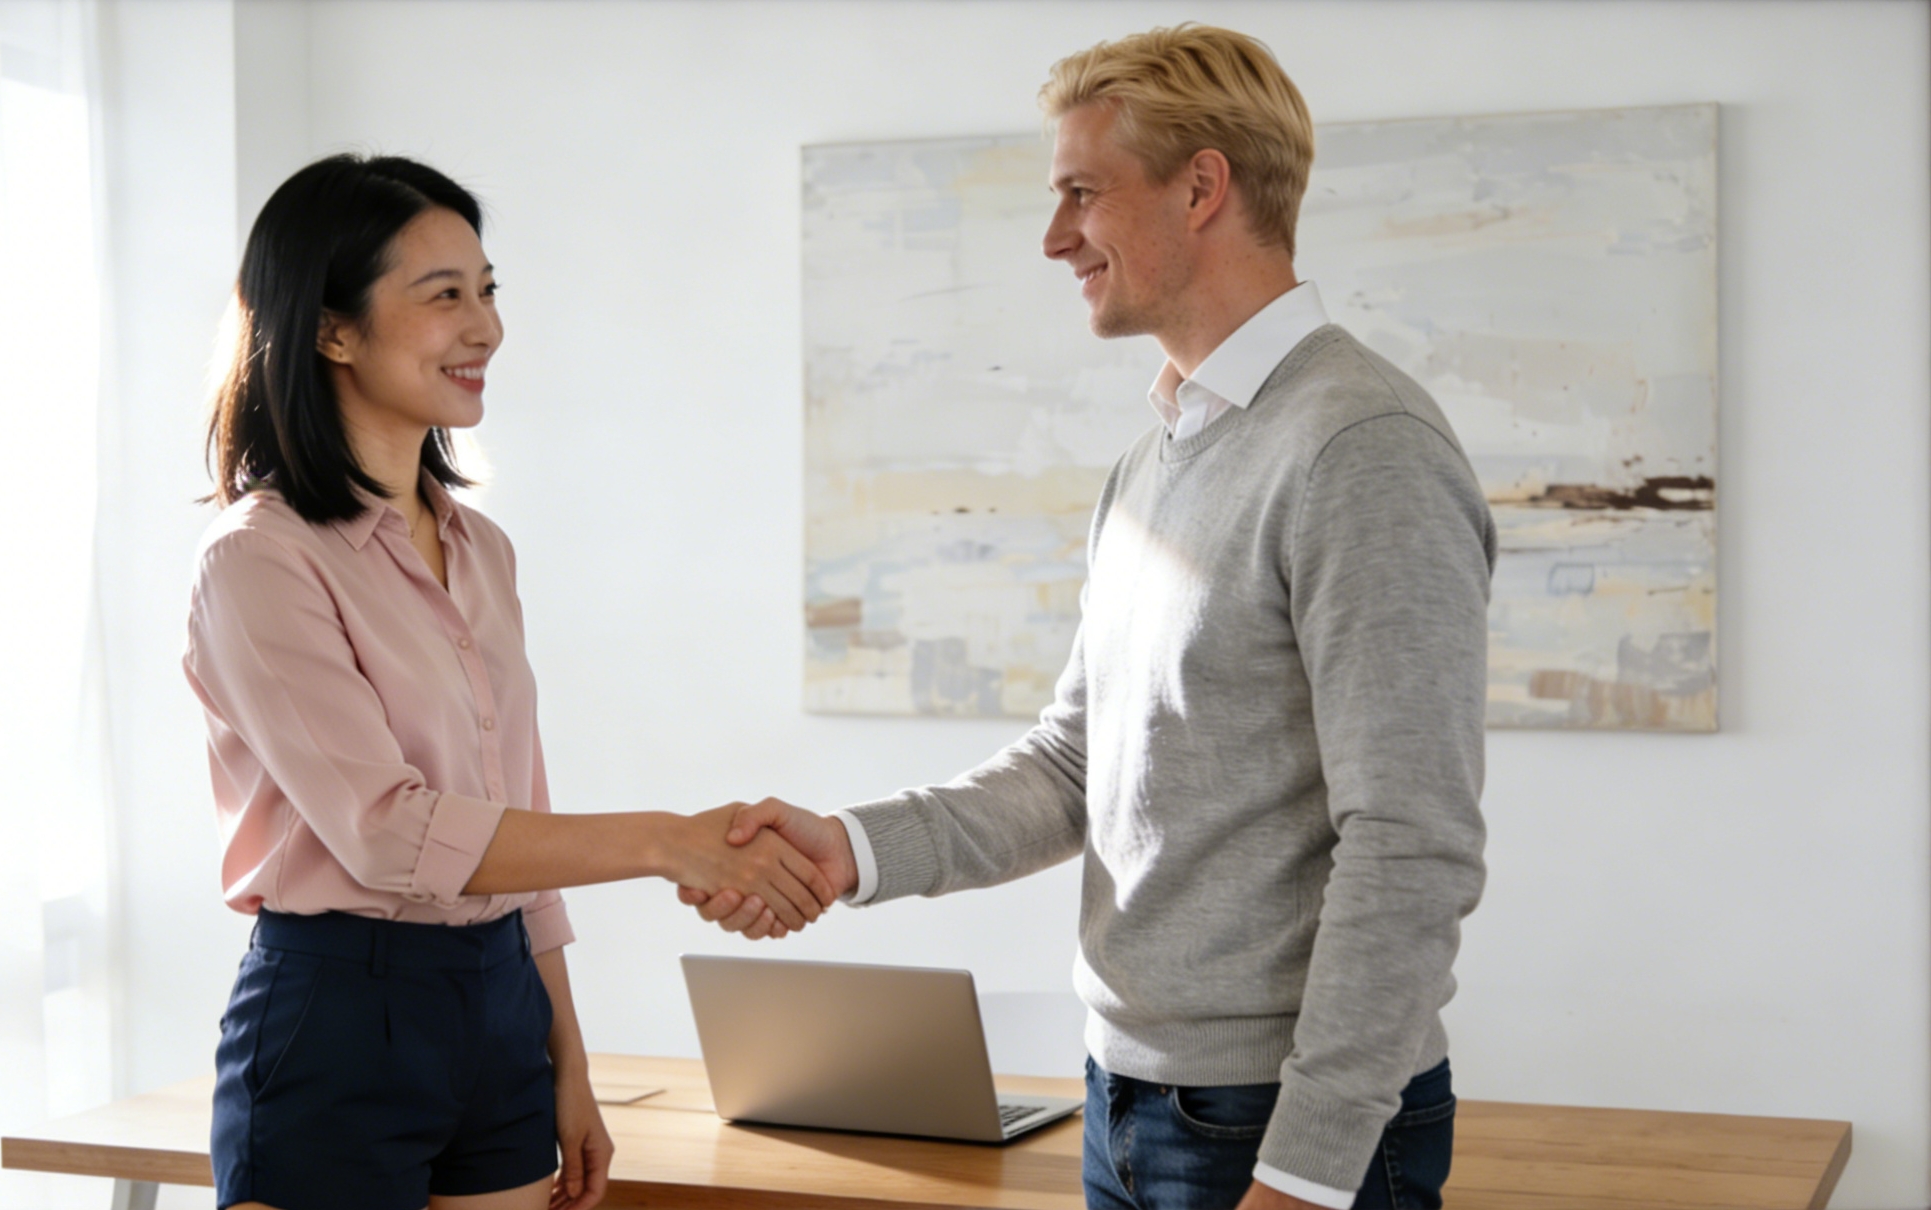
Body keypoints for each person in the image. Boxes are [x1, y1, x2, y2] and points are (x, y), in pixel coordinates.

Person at [685, 25, 1495, 1210]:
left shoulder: (1359, 448)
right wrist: (849, 848)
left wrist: (1306, 1171)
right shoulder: (1159, 455)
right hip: (1127, 1105)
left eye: (1080, 193)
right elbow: (1078, 763)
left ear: (1201, 186)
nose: (1055, 236)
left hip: (1273, 1133)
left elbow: (1411, 843)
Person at [187, 154, 838, 1210]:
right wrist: (660, 838)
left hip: (497, 1003)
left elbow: (511, 821)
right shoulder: (259, 559)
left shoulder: (478, 547)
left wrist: (562, 1054)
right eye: (443, 295)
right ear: (330, 328)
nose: (483, 327)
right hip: (339, 1008)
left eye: (487, 291)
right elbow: (389, 833)